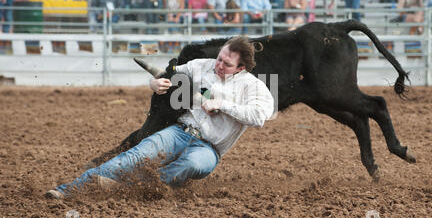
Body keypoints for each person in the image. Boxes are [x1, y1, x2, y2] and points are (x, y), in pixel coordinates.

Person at [45, 36, 275, 199]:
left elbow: (259, 116)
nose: (219, 65)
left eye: (227, 64)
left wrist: (222, 104)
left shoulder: (253, 87)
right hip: (180, 132)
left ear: (241, 68)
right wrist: (155, 84)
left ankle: (125, 188)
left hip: (208, 149)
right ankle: (70, 189)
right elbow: (169, 76)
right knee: (137, 154)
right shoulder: (200, 66)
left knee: (191, 164)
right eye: (219, 58)